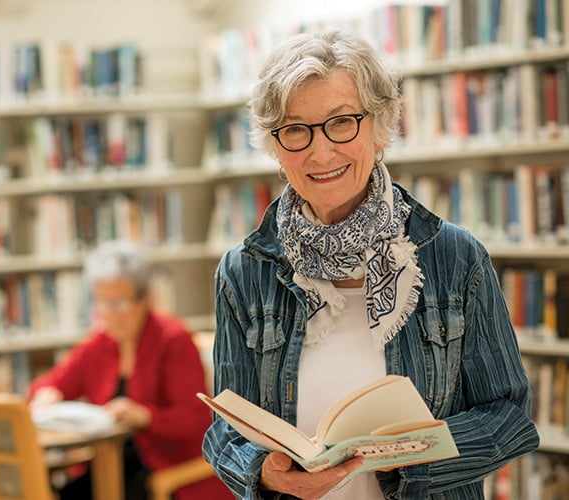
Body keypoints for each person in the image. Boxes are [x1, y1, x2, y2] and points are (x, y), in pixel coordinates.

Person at [201, 30, 540, 500]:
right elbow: (225, 430)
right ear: (276, 148)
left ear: (379, 128)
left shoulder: (456, 257)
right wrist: (262, 470)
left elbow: (509, 416)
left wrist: (409, 463)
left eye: (342, 122)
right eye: (296, 130)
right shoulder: (242, 272)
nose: (320, 152)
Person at [28, 240, 231, 500]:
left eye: (121, 303)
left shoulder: (172, 339)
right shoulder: (99, 343)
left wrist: (145, 416)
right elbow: (49, 383)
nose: (111, 315)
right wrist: (47, 393)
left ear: (146, 298)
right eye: (103, 304)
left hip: (166, 468)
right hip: (111, 466)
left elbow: (197, 422)